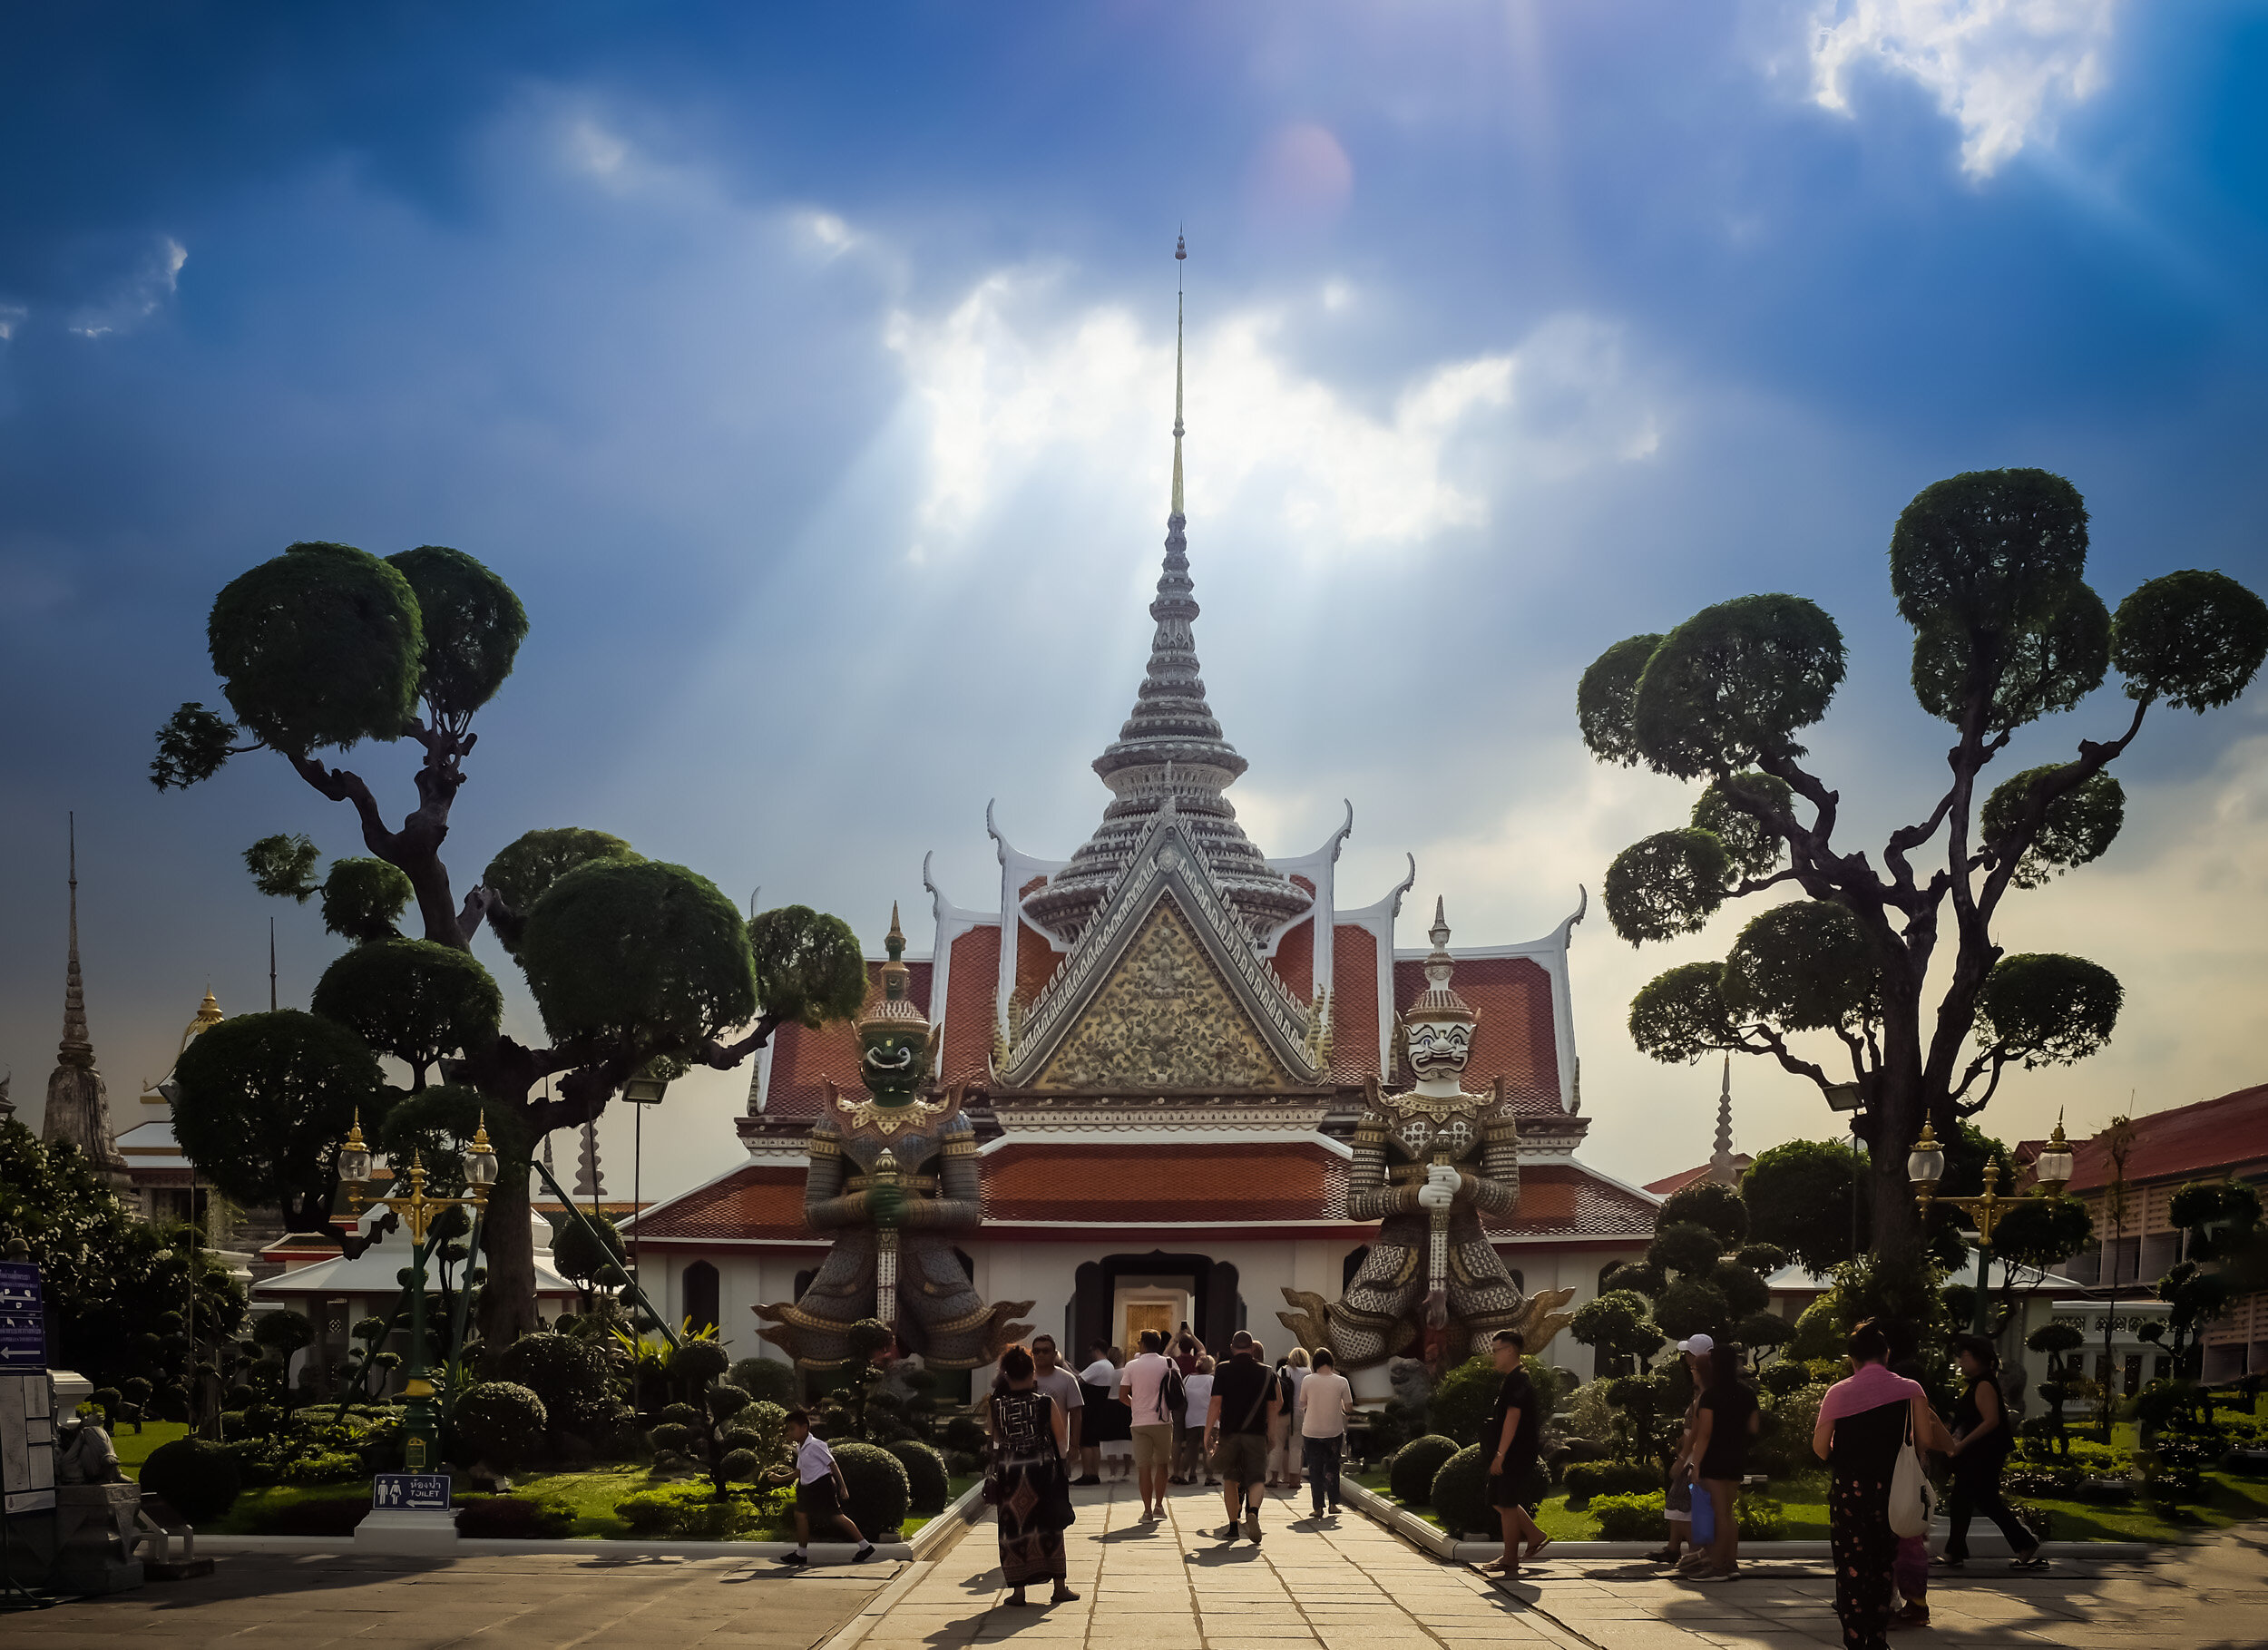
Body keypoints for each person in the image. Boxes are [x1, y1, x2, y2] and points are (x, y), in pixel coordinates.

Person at [1814, 1320, 1956, 1650]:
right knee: (1882, 1567)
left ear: (1852, 1359)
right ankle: (1877, 1639)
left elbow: (1821, 1449)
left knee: (1851, 1568)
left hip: (1850, 1491)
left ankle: (1853, 1639)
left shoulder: (1838, 1392)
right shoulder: (1911, 1390)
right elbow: (1922, 1442)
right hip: (1893, 1491)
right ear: (1886, 1354)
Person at [1941, 1333, 2043, 1573]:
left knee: (1973, 1500)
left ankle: (1956, 1552)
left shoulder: (1984, 1384)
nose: (1960, 1364)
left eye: (1965, 1358)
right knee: (1974, 1500)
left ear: (1979, 1359)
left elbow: (1991, 1421)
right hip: (1980, 1453)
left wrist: (1962, 1444)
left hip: (1983, 1454)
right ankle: (1956, 1551)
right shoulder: (1979, 1383)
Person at [986, 1344, 1080, 1607]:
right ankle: (1059, 1587)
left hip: (1010, 1475)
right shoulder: (1044, 1403)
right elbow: (1061, 1440)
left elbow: (994, 1437)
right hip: (1042, 1474)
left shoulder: (996, 1405)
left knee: (1014, 1529)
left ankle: (1018, 1592)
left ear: (1007, 1375)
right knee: (1050, 1526)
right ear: (1032, 1373)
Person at [1476, 1329, 1549, 1576]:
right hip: (1511, 1451)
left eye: (1496, 1351)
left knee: (1505, 1503)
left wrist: (1501, 1454)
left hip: (1515, 1453)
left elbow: (1513, 1416)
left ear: (1509, 1351)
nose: (1494, 1356)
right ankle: (1534, 1535)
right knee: (1499, 1500)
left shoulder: (1519, 1379)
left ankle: (1510, 1558)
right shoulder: (1512, 1378)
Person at [1688, 1339, 1759, 1582]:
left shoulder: (1711, 1396)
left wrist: (1696, 1465)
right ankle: (1731, 1562)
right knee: (1728, 1514)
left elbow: (1705, 1432)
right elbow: (1753, 1426)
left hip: (1714, 1459)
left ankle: (1717, 1566)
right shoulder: (1747, 1393)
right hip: (1737, 1456)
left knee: (1719, 1514)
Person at [777, 1410, 875, 1567]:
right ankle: (864, 1546)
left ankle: (802, 1554)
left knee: (831, 1516)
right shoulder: (800, 1447)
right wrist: (780, 1479)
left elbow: (832, 1464)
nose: (789, 1432)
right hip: (809, 1488)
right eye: (788, 1429)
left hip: (822, 1486)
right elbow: (799, 1472)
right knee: (806, 1515)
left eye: (792, 1428)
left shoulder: (816, 1445)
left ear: (804, 1428)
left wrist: (843, 1487)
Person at [1205, 1330, 1278, 1542]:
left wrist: (1208, 1431)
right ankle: (1253, 1513)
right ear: (1252, 1348)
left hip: (1230, 1434)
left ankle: (1233, 1526)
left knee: (1230, 1480)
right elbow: (1273, 1408)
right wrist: (1272, 1435)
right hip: (1256, 1434)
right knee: (1256, 1478)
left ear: (1232, 1347)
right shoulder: (1267, 1372)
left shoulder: (1223, 1370)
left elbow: (1216, 1402)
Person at [1645, 1335, 1710, 1567]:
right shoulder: (1700, 1390)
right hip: (1693, 1455)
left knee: (1679, 1505)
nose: (1686, 1361)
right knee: (1682, 1505)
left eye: (1690, 1358)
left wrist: (1683, 1458)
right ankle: (1675, 1548)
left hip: (1694, 1457)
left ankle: (1697, 1552)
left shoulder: (1705, 1393)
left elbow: (1697, 1431)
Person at [1119, 1329, 1179, 1520]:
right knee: (1162, 1464)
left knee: (1143, 1467)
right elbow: (1177, 1390)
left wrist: (1136, 1405)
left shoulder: (1131, 1365)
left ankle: (1147, 1510)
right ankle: (1159, 1506)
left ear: (1143, 1344)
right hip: (1163, 1420)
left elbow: (1122, 1396)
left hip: (1139, 1422)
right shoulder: (1169, 1362)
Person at [1295, 1348, 1354, 1518]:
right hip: (1334, 1430)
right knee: (1333, 1467)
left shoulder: (1308, 1380)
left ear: (1315, 1364)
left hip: (1311, 1430)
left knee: (1315, 1468)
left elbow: (1302, 1404)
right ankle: (1334, 1504)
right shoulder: (1341, 1381)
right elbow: (1348, 1407)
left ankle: (1317, 1507)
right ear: (1331, 1363)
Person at [1029, 1335, 1085, 1469]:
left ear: (1054, 1354)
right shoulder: (1025, 1378)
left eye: (1045, 1351)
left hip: (1058, 1448)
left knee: (1057, 1488)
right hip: (1029, 1448)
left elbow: (1076, 1414)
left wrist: (1075, 1446)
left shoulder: (1067, 1379)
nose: (1040, 1354)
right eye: (1036, 1351)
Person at [1077, 1342, 1129, 1486]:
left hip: (1090, 1406)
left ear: (1095, 1349)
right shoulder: (1109, 1366)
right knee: (1094, 1442)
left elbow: (1079, 1379)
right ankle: (1095, 1473)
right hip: (1100, 1406)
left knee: (1085, 1442)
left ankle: (1087, 1473)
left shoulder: (1098, 1365)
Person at [1180, 1355, 1218, 1486]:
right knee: (1209, 1448)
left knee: (1191, 1448)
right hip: (1209, 1419)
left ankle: (1190, 1473)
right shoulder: (1211, 1380)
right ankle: (1209, 1476)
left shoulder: (1187, 1379)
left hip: (1191, 1418)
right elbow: (1216, 1400)